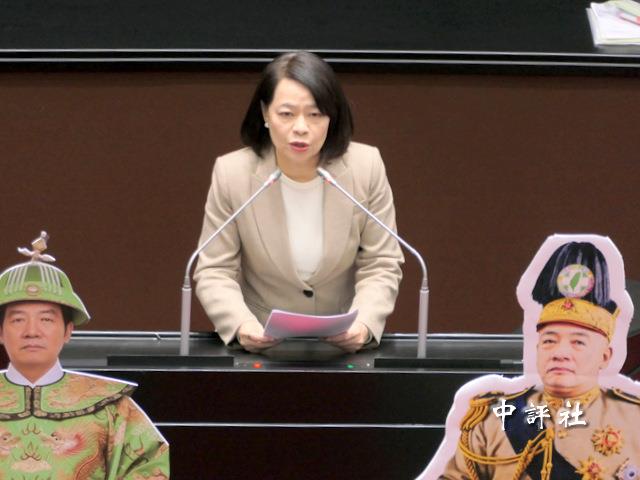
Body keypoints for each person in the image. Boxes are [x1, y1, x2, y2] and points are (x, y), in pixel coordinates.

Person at [194, 51, 404, 354]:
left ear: (331, 116)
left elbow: (382, 262)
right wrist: (241, 325)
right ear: (265, 113)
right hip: (263, 347)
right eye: (287, 114)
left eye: (315, 114)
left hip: (342, 348)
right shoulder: (232, 173)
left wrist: (364, 323)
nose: (301, 127)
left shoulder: (365, 166)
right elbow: (214, 270)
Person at [439, 242, 640, 480]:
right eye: (549, 341)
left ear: (605, 357)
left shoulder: (633, 419)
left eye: (578, 342)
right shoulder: (494, 420)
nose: (560, 353)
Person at [0, 232, 170, 479]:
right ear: (1, 331)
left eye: (46, 320)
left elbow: (148, 466)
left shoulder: (112, 408)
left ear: (68, 331)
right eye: (18, 320)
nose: (32, 331)